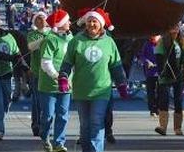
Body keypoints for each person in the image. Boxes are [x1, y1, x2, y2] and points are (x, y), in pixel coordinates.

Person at [58, 8, 128, 152]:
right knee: (85, 125)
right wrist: (63, 78)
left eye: (94, 21)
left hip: (101, 91)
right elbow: (67, 63)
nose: (91, 24)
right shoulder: (77, 40)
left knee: (96, 123)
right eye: (89, 21)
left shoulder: (109, 42)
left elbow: (116, 65)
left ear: (101, 24)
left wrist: (121, 83)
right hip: (81, 90)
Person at [37, 10, 72, 152]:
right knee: (48, 115)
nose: (70, 23)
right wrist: (57, 76)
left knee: (63, 115)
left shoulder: (70, 39)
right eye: (67, 21)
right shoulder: (50, 39)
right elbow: (45, 63)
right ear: (61, 23)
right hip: (49, 86)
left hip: (66, 85)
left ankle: (59, 143)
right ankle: (45, 136)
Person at [154, 23, 184, 136]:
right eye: (172, 27)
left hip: (179, 75)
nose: (174, 29)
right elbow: (159, 57)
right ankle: (163, 126)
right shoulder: (162, 41)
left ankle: (177, 128)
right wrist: (161, 72)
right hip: (165, 75)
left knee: (178, 101)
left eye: (176, 27)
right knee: (164, 100)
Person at [0, 15, 21, 140]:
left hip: (7, 74)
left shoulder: (9, 37)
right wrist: (7, 57)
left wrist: (23, 66)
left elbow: (16, 53)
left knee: (6, 101)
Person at [26, 12, 49, 138]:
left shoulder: (51, 33)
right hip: (37, 72)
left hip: (50, 73)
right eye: (39, 19)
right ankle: (36, 125)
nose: (41, 21)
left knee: (49, 101)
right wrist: (45, 39)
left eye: (43, 18)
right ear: (35, 22)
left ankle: (46, 125)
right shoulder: (32, 34)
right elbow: (31, 47)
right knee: (37, 101)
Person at [137, 36, 160, 117]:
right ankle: (152, 109)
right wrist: (147, 61)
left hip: (160, 71)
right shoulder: (147, 44)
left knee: (160, 91)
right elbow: (142, 56)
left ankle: (159, 107)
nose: (153, 37)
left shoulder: (162, 44)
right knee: (151, 91)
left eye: (155, 36)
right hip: (150, 72)